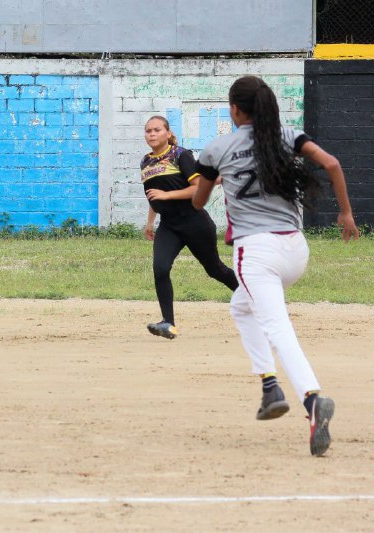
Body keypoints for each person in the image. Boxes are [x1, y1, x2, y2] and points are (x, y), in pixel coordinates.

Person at [193, 75, 359, 456]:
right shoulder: (288, 137)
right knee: (241, 306)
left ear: (234, 110)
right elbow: (332, 163)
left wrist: (217, 178)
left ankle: (312, 400)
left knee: (278, 327)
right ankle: (269, 386)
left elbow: (199, 203)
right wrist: (346, 213)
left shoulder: (217, 147)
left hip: (256, 254)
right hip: (294, 250)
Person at [140, 115, 238, 340]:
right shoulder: (146, 161)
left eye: (157, 130)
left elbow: (198, 188)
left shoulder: (180, 155)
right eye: (148, 131)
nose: (152, 134)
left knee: (215, 270)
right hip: (169, 226)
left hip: (194, 222)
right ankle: (168, 323)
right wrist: (150, 221)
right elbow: (153, 194)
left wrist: (168, 195)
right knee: (160, 269)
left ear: (167, 133)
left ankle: (251, 299)